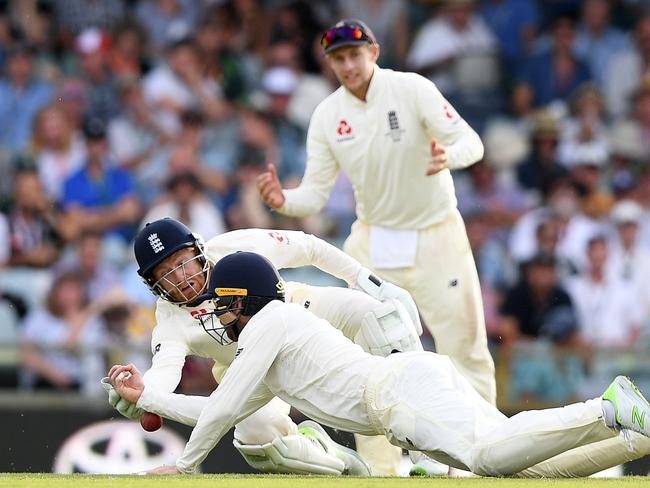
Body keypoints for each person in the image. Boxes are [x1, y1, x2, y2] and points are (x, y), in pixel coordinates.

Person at [109, 251, 650, 477]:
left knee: (488, 460)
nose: (218, 314)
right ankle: (638, 435)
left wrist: (184, 466)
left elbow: (222, 405)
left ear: (244, 298)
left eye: (224, 303)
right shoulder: (266, 348)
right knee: (528, 469)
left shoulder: (269, 323)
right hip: (406, 389)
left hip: (397, 396)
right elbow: (218, 407)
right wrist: (147, 397)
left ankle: (605, 408)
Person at [256, 18, 495, 474]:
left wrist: (451, 156)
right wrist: (283, 201)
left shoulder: (412, 89)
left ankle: (479, 457)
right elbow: (315, 193)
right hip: (373, 241)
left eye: (354, 55)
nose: (348, 65)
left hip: (436, 234)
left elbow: (472, 141)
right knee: (364, 358)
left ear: (375, 51)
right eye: (338, 59)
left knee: (464, 348)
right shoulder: (328, 115)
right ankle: (382, 470)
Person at [104, 217, 423, 476]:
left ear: (197, 250)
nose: (182, 277)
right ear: (153, 284)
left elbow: (308, 247)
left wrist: (369, 282)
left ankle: (426, 456)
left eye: (183, 262)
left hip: (300, 308)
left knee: (381, 317)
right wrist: (144, 394)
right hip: (252, 367)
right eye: (166, 273)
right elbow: (164, 371)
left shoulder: (233, 247)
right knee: (259, 445)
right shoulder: (170, 318)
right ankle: (338, 462)